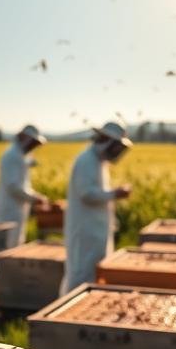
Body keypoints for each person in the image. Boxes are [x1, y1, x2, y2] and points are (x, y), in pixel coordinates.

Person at [60, 120, 134, 293]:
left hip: (95, 229)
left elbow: (97, 193)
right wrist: (115, 194)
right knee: (80, 274)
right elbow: (86, 194)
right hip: (85, 230)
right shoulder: (86, 160)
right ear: (106, 141)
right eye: (116, 146)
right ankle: (66, 316)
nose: (117, 151)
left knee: (93, 273)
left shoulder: (99, 162)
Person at [0, 125, 49, 247]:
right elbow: (14, 187)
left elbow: (21, 183)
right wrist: (35, 198)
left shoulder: (19, 155)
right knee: (8, 245)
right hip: (9, 210)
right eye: (33, 143)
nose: (33, 146)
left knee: (16, 243)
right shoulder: (12, 156)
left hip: (17, 209)